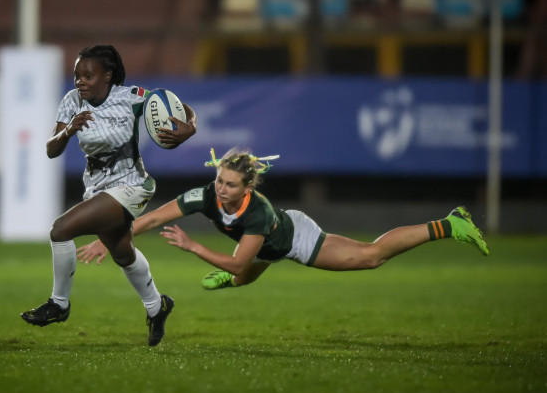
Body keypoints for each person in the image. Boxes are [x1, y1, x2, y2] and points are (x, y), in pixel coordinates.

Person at [77, 148, 489, 294]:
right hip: (260, 248)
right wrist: (108, 240)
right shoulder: (204, 194)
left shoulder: (258, 212)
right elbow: (149, 220)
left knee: (371, 257)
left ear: (247, 187)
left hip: (292, 240)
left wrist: (194, 247)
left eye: (230, 185)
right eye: (219, 179)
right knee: (241, 274)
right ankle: (232, 281)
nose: (220, 189)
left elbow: (241, 260)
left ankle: (450, 224)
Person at [20, 44, 196, 347]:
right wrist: (68, 131)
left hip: (133, 185)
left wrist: (189, 128)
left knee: (61, 230)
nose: (80, 81)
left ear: (108, 76)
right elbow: (51, 149)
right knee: (122, 253)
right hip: (97, 186)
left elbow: (174, 105)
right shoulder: (72, 101)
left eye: (88, 75)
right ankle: (157, 306)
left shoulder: (130, 97)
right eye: (77, 75)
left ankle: (59, 304)